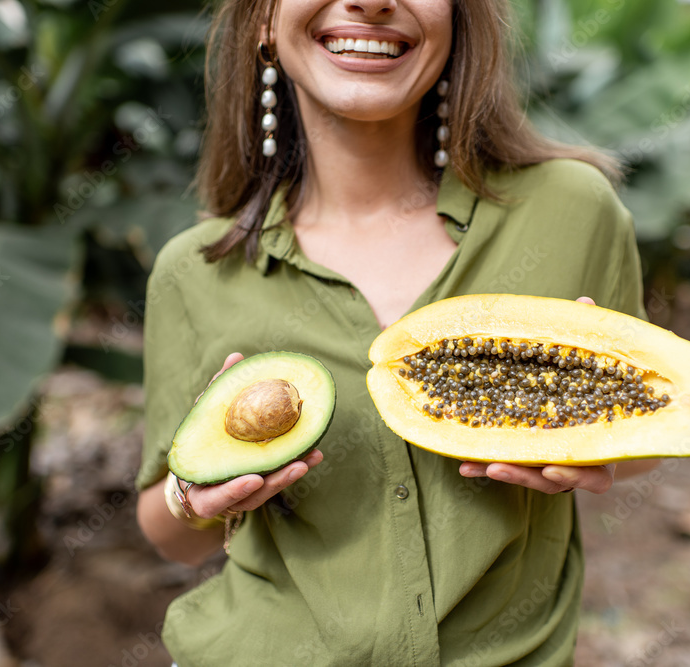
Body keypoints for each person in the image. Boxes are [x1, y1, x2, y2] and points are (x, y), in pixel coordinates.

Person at [136, 0, 660, 664]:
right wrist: (200, 493)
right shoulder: (194, 272)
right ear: (264, 21)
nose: (373, 0)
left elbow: (646, 441)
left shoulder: (572, 212)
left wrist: (589, 437)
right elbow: (169, 535)